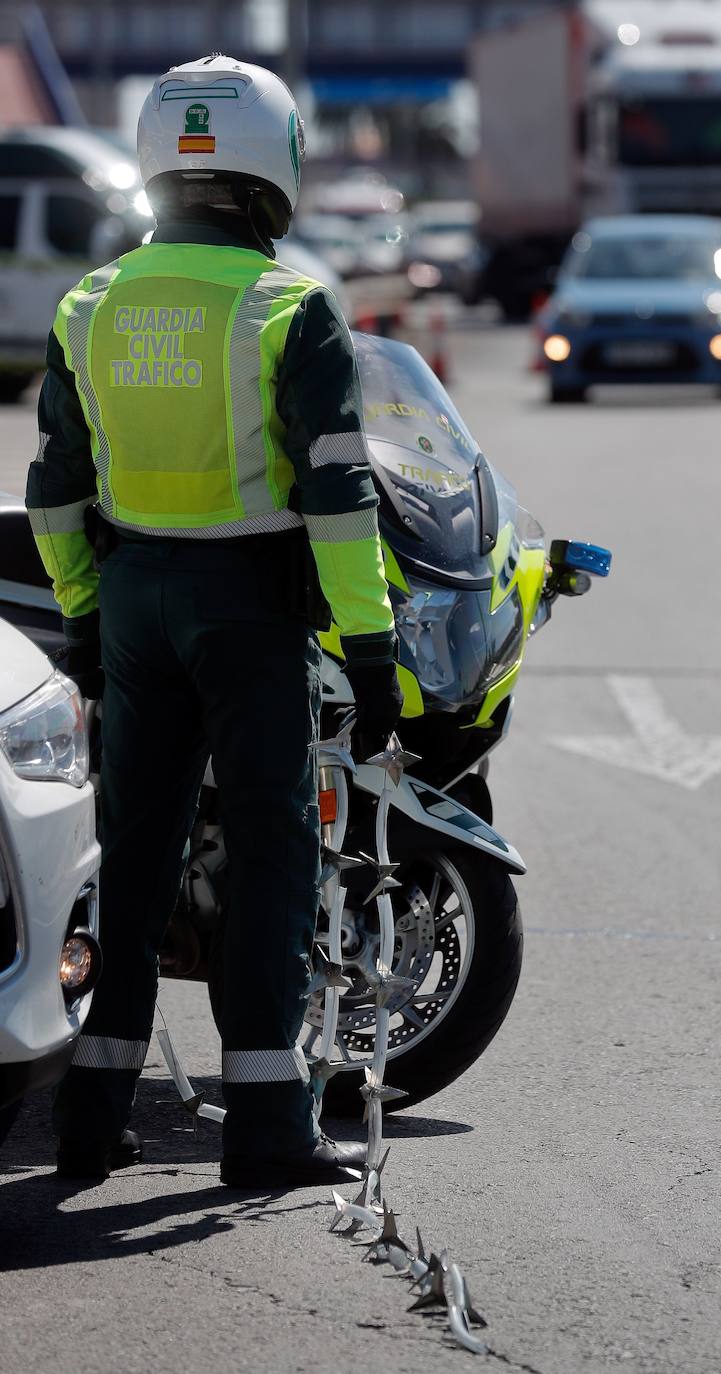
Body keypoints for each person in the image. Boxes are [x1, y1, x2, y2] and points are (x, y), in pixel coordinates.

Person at [25, 56, 403, 1189]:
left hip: (134, 605)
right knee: (269, 857)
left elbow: (55, 490)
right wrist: (370, 647)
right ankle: (266, 1128)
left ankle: (90, 1119)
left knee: (131, 862)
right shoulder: (292, 308)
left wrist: (88, 623)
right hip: (248, 609)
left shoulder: (88, 304)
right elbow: (338, 497)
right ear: (275, 171)